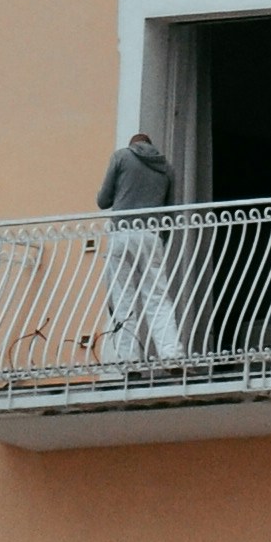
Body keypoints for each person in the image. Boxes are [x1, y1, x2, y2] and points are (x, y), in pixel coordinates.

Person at [97, 126, 184, 367]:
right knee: (158, 298)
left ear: (133, 144)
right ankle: (171, 355)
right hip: (151, 236)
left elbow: (102, 201)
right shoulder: (167, 168)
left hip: (122, 233)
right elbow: (171, 211)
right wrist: (160, 242)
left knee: (123, 298)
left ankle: (129, 360)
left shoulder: (122, 156)